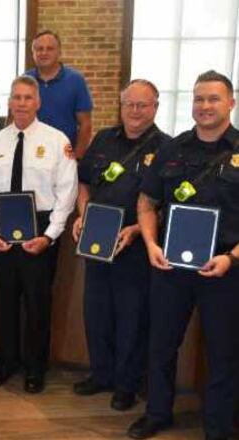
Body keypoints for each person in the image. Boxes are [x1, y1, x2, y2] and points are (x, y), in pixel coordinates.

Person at [128, 70, 239, 440]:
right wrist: (151, 245)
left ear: (231, 103)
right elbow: (147, 202)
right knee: (160, 344)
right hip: (170, 266)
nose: (205, 106)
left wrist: (232, 258)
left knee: (223, 353)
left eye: (213, 99)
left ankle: (218, 427)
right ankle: (158, 412)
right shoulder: (172, 149)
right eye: (199, 99)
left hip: (223, 269)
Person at [72, 79, 171, 411]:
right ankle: (101, 374)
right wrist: (82, 215)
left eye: (143, 105)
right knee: (96, 312)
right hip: (97, 241)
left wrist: (135, 229)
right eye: (129, 104)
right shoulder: (103, 139)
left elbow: (163, 204)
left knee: (131, 317)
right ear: (121, 105)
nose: (135, 111)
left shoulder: (167, 148)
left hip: (135, 246)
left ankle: (126, 384)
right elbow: (84, 182)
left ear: (155, 107)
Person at [0, 76, 78, 394]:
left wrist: (50, 236)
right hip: (2, 233)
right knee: (5, 301)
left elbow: (67, 193)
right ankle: (6, 363)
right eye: (16, 97)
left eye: (27, 97)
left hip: (41, 229)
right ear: (9, 102)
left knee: (38, 303)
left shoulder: (56, 140)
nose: (21, 103)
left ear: (38, 102)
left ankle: (35, 368)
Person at [26, 30, 93, 159]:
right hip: (30, 155)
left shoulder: (76, 80)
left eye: (49, 48)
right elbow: (14, 118)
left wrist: (77, 157)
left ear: (59, 52)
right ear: (33, 53)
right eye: (39, 49)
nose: (44, 53)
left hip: (64, 155)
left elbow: (86, 124)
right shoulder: (25, 79)